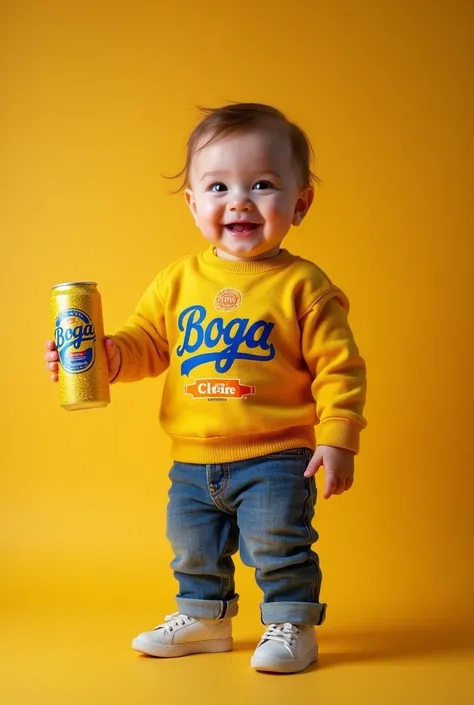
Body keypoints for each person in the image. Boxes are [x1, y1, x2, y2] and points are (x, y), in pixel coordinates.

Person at [44, 103, 367, 674]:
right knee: (193, 547)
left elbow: (339, 369)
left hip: (277, 455)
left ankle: (290, 622)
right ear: (193, 203)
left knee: (278, 544)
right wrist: (102, 356)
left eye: (262, 184)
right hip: (192, 459)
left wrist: (339, 437)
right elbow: (147, 343)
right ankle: (205, 619)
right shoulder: (177, 280)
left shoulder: (304, 286)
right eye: (218, 186)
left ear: (300, 202)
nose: (239, 200)